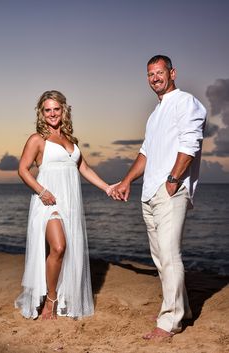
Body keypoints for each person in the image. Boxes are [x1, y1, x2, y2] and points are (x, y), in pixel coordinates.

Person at [113, 55, 206, 338]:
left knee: (169, 255)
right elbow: (145, 153)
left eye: (160, 72)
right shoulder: (155, 114)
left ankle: (170, 322)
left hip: (170, 191)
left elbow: (191, 142)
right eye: (150, 74)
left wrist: (173, 179)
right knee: (160, 258)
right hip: (149, 193)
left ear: (172, 73)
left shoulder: (185, 102)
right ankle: (183, 309)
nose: (155, 78)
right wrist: (127, 181)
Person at [15, 90, 116, 320]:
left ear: (64, 110)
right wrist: (42, 192)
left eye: (56, 109)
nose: (52, 113)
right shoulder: (37, 139)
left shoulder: (71, 141)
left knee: (65, 252)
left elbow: (85, 169)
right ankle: (50, 300)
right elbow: (22, 170)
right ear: (42, 113)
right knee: (59, 248)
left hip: (70, 202)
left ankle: (61, 294)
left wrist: (107, 188)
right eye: (47, 110)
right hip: (48, 201)